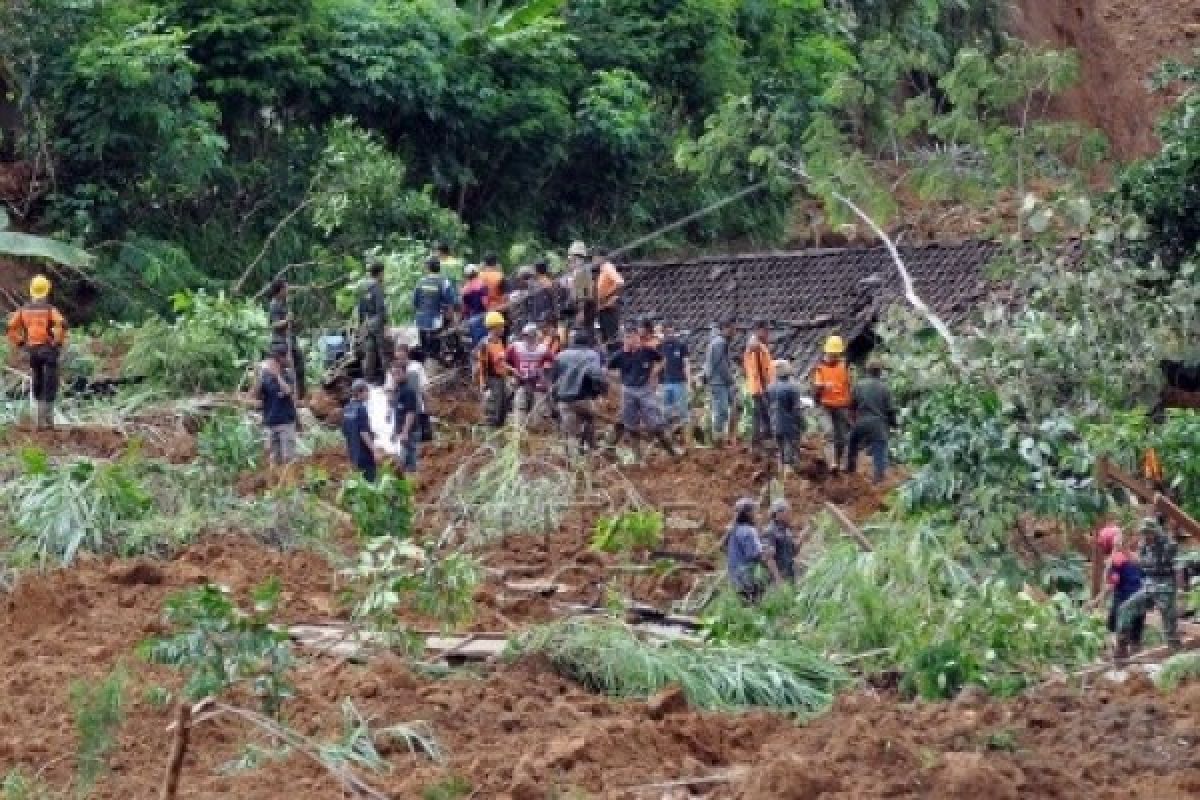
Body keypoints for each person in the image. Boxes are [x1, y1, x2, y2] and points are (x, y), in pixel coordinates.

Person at [6, 274, 68, 429]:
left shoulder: (23, 310)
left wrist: (21, 343)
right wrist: (57, 342)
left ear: (32, 291)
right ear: (46, 291)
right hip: (48, 350)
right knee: (51, 383)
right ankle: (48, 420)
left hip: (33, 351)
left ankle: (38, 421)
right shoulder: (49, 309)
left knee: (38, 380)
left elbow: (10, 328)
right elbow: (62, 323)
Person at [1116, 517, 1181, 660]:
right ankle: (1121, 650)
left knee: (1170, 629)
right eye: (1144, 533)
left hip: (1165, 588)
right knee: (1125, 609)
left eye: (1149, 532)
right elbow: (1139, 564)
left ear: (1156, 531)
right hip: (1149, 586)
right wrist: (1124, 550)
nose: (1146, 536)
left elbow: (1154, 564)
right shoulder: (1144, 544)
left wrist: (1125, 551)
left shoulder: (1169, 545)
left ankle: (1180, 662)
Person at [608, 328, 678, 459]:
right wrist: (620, 381)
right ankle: (638, 458)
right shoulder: (619, 355)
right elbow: (608, 369)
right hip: (628, 391)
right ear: (625, 339)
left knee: (656, 423)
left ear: (638, 338)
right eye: (629, 338)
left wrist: (654, 372)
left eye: (634, 338)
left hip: (645, 389)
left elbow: (663, 360)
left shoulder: (647, 351)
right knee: (631, 425)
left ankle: (672, 452)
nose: (632, 341)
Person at [549, 330, 609, 456]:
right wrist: (603, 393)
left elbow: (553, 378)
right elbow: (598, 376)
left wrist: (553, 398)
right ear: (588, 342)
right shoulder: (592, 355)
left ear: (573, 341)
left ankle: (573, 464)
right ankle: (592, 449)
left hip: (564, 399)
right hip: (584, 398)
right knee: (590, 419)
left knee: (571, 434)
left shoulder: (561, 355)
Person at [1088, 525, 1145, 652]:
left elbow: (1111, 585)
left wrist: (1095, 602)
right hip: (1141, 600)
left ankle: (1118, 663)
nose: (1101, 547)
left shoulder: (1116, 559)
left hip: (1124, 601)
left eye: (1102, 543)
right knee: (1136, 637)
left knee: (1114, 630)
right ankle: (1137, 663)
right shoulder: (1133, 557)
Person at [847, 357, 894, 484]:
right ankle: (878, 479)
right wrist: (893, 424)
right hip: (878, 424)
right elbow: (890, 411)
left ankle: (850, 470)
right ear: (880, 371)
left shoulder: (858, 385)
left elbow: (851, 406)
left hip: (861, 421)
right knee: (880, 450)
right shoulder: (885, 388)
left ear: (867, 370)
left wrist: (853, 422)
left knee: (852, 443)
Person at [811, 335, 853, 472]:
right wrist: (822, 386)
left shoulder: (843, 366)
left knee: (842, 437)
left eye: (837, 354)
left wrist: (851, 406)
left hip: (841, 406)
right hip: (825, 406)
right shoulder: (820, 368)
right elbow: (816, 390)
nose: (835, 356)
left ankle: (840, 464)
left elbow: (848, 386)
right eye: (832, 354)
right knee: (829, 432)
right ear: (827, 352)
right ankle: (832, 463)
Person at [412, 256, 458, 362]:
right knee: (436, 348)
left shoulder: (420, 281)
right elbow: (450, 303)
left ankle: (427, 364)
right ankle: (435, 365)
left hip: (421, 321)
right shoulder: (444, 282)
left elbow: (415, 303)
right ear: (439, 267)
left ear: (427, 268)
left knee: (425, 347)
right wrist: (452, 321)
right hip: (436, 322)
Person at [259, 343, 298, 468]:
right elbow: (254, 396)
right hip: (271, 422)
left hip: (286, 422)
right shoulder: (265, 376)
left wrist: (277, 375)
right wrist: (257, 376)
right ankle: (277, 486)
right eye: (286, 356)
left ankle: (289, 485)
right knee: (274, 460)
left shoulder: (287, 375)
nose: (288, 359)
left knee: (288, 459)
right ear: (280, 358)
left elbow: (287, 391)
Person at [267, 278, 305, 399]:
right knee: (288, 369)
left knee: (299, 367)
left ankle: (298, 395)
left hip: (290, 341)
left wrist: (293, 322)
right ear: (280, 290)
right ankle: (292, 395)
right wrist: (287, 320)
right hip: (281, 342)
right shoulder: (274, 305)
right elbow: (274, 325)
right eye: (286, 288)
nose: (288, 290)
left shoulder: (283, 303)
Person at [508, 323, 551, 428]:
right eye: (526, 335)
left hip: (537, 384)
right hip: (521, 382)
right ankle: (519, 433)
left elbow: (552, 362)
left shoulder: (543, 349)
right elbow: (505, 362)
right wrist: (513, 372)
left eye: (530, 336)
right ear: (523, 335)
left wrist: (545, 374)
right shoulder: (515, 347)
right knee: (519, 407)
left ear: (535, 336)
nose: (528, 338)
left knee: (538, 413)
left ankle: (535, 432)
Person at [724, 497, 766, 603]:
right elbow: (754, 555)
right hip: (748, 580)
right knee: (752, 608)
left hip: (735, 579)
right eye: (754, 511)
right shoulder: (748, 531)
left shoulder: (733, 530)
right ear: (748, 513)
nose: (757, 514)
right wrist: (767, 553)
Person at [743, 320, 775, 449]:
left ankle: (756, 443)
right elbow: (759, 370)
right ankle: (764, 444)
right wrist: (765, 389)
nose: (768, 333)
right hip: (760, 388)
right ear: (759, 330)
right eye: (766, 330)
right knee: (765, 416)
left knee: (759, 416)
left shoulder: (758, 345)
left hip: (759, 387)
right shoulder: (755, 346)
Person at [477, 311, 513, 427]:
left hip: (501, 379)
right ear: (494, 327)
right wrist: (483, 384)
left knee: (503, 409)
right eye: (501, 326)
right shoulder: (485, 344)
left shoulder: (500, 342)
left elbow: (501, 362)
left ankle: (500, 434)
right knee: (493, 411)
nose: (503, 328)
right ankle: (492, 438)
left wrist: (511, 372)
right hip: (492, 380)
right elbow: (482, 366)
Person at [767, 360, 803, 471]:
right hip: (789, 424)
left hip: (774, 423)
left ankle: (780, 472)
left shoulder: (770, 387)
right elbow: (796, 409)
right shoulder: (793, 387)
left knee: (780, 449)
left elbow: (768, 405)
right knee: (790, 448)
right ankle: (789, 473)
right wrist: (801, 423)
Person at [705, 316, 737, 446]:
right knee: (722, 410)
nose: (734, 332)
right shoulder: (720, 343)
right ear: (725, 328)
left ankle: (728, 437)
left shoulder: (720, 341)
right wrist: (731, 380)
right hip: (718, 382)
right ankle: (718, 439)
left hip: (720, 381)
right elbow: (721, 365)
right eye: (732, 329)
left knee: (734, 406)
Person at [659, 321, 691, 442]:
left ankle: (687, 441)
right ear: (664, 332)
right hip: (666, 383)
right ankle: (670, 441)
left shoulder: (681, 345)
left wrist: (688, 382)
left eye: (671, 330)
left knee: (683, 411)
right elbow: (658, 365)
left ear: (674, 331)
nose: (669, 333)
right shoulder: (661, 346)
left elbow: (686, 364)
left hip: (679, 383)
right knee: (666, 412)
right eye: (667, 330)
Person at [388, 357, 421, 475]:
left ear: (405, 372)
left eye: (398, 373)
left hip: (410, 433)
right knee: (407, 465)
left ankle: (414, 486)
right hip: (403, 433)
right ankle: (411, 486)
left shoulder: (408, 391)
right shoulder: (398, 390)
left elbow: (410, 413)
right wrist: (395, 431)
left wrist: (405, 432)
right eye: (393, 374)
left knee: (408, 463)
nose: (395, 376)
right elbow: (397, 412)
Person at [358, 260, 389, 385]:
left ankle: (368, 380)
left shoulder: (363, 286)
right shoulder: (376, 286)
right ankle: (388, 379)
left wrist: (361, 324)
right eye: (383, 272)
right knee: (383, 351)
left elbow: (360, 307)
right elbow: (380, 307)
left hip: (367, 322)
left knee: (369, 352)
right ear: (380, 272)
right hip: (377, 321)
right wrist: (385, 324)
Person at [342, 379, 379, 482]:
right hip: (364, 455)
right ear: (360, 393)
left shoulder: (346, 409)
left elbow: (346, 432)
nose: (369, 394)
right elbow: (363, 433)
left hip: (353, 455)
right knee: (370, 483)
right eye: (367, 391)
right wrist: (375, 451)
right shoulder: (361, 409)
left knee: (358, 484)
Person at [594, 251, 625, 352]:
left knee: (611, 336)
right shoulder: (602, 270)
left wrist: (613, 297)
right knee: (606, 337)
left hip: (609, 307)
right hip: (603, 307)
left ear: (601, 257)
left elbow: (620, 282)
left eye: (595, 258)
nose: (593, 260)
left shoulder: (608, 267)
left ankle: (615, 358)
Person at [763, 499, 799, 584]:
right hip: (778, 577)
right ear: (778, 513)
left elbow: (794, 552)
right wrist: (778, 578)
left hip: (790, 574)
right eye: (787, 512)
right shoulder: (770, 531)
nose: (790, 515)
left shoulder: (787, 529)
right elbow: (769, 557)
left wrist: (806, 532)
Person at [565, 241, 596, 336]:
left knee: (584, 334)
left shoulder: (582, 271)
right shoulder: (579, 271)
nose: (570, 262)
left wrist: (581, 311)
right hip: (579, 307)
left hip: (584, 307)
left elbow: (583, 294)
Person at [527, 259, 560, 327]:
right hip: (540, 314)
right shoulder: (539, 281)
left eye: (534, 269)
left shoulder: (545, 281)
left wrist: (556, 312)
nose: (533, 271)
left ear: (537, 270)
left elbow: (554, 297)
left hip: (545, 314)